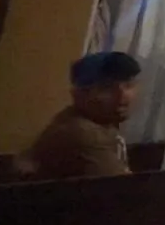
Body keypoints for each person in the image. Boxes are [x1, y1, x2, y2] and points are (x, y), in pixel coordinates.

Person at [20, 52, 141, 180]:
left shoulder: (103, 122)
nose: (122, 95)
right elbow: (124, 189)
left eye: (128, 85)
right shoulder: (82, 133)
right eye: (107, 88)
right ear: (78, 94)